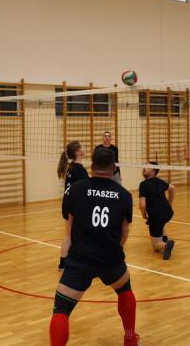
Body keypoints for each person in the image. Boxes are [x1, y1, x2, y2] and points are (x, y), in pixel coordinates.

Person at [49, 148, 139, 346]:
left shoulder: (76, 190)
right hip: (110, 259)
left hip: (80, 260)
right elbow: (124, 234)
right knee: (124, 289)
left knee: (61, 309)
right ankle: (130, 339)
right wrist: (110, 250)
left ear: (91, 166)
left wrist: (66, 260)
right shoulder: (124, 195)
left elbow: (69, 232)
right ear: (114, 168)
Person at [57, 141, 88, 271]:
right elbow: (85, 190)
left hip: (67, 202)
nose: (85, 148)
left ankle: (63, 263)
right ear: (77, 152)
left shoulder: (71, 167)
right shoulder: (80, 170)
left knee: (69, 234)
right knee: (75, 235)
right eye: (82, 147)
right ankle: (71, 261)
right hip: (74, 204)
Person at [139, 162, 175, 260]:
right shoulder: (159, 181)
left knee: (155, 246)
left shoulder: (143, 184)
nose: (144, 168)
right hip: (168, 212)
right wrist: (170, 203)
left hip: (156, 216)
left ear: (153, 172)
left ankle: (166, 245)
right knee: (161, 221)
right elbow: (172, 188)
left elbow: (142, 204)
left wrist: (143, 214)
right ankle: (165, 238)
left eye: (147, 167)